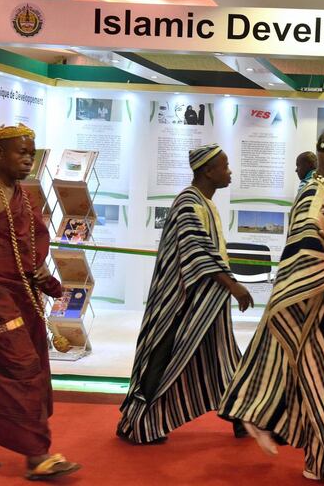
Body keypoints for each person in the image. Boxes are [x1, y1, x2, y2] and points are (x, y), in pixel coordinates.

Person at [219, 130, 324, 484]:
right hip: (320, 314)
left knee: (322, 386)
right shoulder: (315, 197)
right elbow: (308, 253)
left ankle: (319, 463)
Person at [117, 144, 254, 444]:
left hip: (205, 302)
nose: (230, 171)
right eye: (225, 165)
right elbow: (196, 250)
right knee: (165, 357)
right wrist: (232, 285)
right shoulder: (189, 203)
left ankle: (241, 416)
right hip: (181, 303)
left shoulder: (203, 203)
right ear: (208, 170)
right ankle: (137, 424)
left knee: (223, 357)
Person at [0, 123, 81, 480]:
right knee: (22, 368)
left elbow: (25, 249)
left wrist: (46, 279)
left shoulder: (22, 195)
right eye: (21, 152)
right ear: (0, 154)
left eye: (31, 152)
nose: (27, 159)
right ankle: (38, 456)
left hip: (23, 297)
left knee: (13, 369)